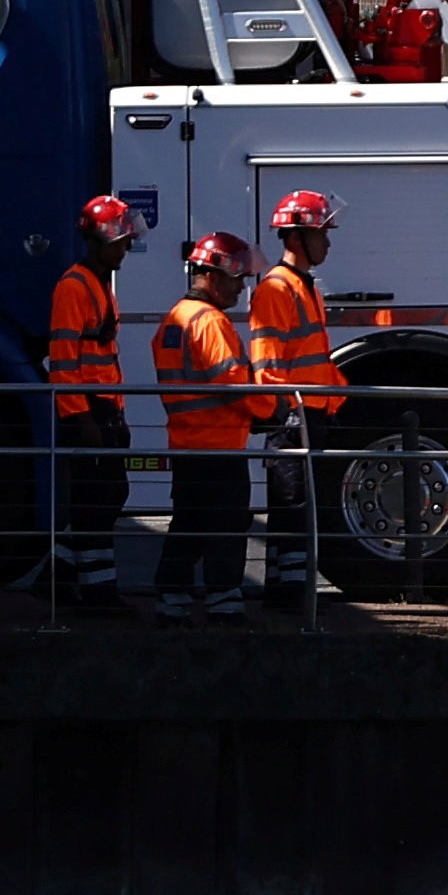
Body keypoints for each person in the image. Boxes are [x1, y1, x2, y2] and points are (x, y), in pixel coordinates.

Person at [149, 233, 278, 626]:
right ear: (213, 276)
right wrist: (273, 409)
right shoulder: (210, 323)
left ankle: (171, 599)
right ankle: (224, 601)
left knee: (187, 524)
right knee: (225, 525)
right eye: (237, 278)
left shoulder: (175, 319)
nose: (242, 288)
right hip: (219, 446)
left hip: (187, 443)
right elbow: (233, 382)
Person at [251, 189, 353, 611]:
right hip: (294, 420)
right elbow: (267, 362)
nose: (328, 242)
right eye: (321, 233)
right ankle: (290, 599)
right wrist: (289, 415)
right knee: (292, 507)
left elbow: (313, 358)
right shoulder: (278, 289)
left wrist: (336, 400)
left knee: (296, 508)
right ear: (296, 238)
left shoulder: (303, 286)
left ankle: (286, 592)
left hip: (310, 414)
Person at [46, 195, 139, 612]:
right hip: (88, 410)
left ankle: (59, 573)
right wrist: (81, 417)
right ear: (99, 241)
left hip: (103, 408)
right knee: (99, 500)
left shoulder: (97, 283)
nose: (125, 248)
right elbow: (64, 361)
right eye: (120, 241)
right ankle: (99, 593)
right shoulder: (74, 286)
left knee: (103, 497)